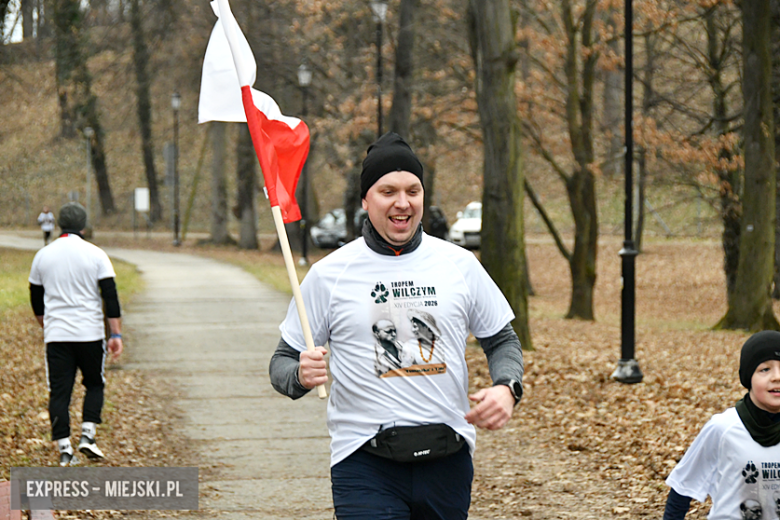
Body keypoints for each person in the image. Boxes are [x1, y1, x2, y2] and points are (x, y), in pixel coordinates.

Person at [270, 132, 524, 520]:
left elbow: (502, 340)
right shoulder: (330, 274)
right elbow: (281, 362)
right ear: (365, 200)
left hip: (447, 457)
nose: (402, 203)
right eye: (387, 191)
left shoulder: (459, 264)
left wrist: (507, 389)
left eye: (413, 190)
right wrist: (300, 375)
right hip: (363, 460)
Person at [28, 202, 123, 466]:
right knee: (94, 383)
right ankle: (88, 436)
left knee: (59, 392)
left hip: (57, 335)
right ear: (83, 225)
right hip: (90, 333)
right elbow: (110, 297)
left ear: (58, 224)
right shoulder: (97, 254)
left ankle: (64, 448)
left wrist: (46, 324)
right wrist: (116, 335)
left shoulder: (43, 256)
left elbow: (36, 298)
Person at [663, 330, 780, 520]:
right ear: (748, 377)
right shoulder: (723, 427)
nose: (777, 377)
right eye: (765, 369)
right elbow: (683, 486)